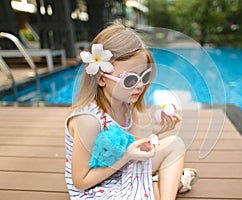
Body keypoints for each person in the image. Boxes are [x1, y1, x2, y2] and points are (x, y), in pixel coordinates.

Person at [65, 24, 197, 199]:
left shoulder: (126, 104)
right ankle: (169, 182)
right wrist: (126, 157)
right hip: (95, 188)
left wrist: (156, 131)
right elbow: (81, 181)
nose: (140, 86)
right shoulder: (88, 120)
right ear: (101, 79)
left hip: (120, 170)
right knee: (154, 190)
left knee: (175, 144)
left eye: (144, 76)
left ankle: (163, 187)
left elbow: (132, 143)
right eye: (130, 79)